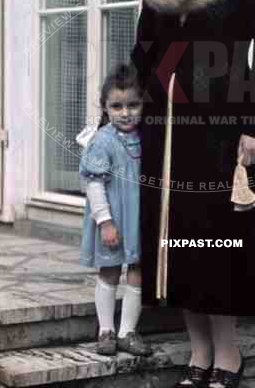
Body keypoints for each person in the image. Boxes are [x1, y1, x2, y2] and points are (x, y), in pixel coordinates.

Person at [131, 0, 255, 388]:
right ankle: (198, 355)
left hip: (223, 118)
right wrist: (127, 112)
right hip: (163, 124)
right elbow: (145, 47)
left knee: (216, 238)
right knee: (173, 238)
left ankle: (229, 355)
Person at [77, 62, 152, 357]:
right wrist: (105, 222)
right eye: (117, 106)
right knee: (109, 270)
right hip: (113, 220)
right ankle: (106, 329)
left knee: (137, 270)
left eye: (132, 105)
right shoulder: (102, 141)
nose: (125, 112)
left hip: (138, 219)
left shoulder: (145, 138)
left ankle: (127, 332)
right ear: (105, 107)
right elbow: (94, 185)